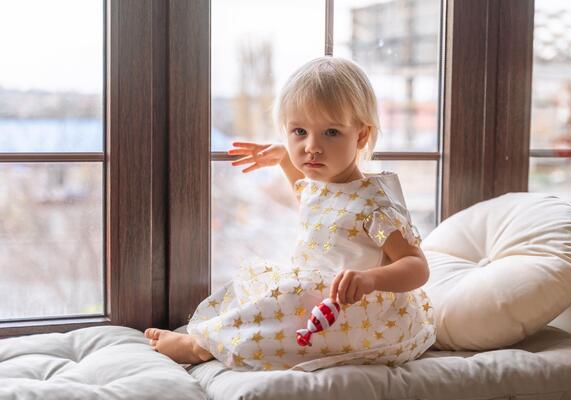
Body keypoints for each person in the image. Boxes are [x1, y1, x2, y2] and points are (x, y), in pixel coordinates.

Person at [144, 56, 436, 371]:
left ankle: (200, 346)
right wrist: (284, 159)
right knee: (254, 284)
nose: (312, 146)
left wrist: (369, 279)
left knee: (287, 299)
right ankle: (211, 332)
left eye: (331, 132)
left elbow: (416, 267)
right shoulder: (322, 186)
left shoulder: (372, 207)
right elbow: (314, 206)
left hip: (358, 312)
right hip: (316, 298)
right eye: (299, 131)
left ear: (361, 136)